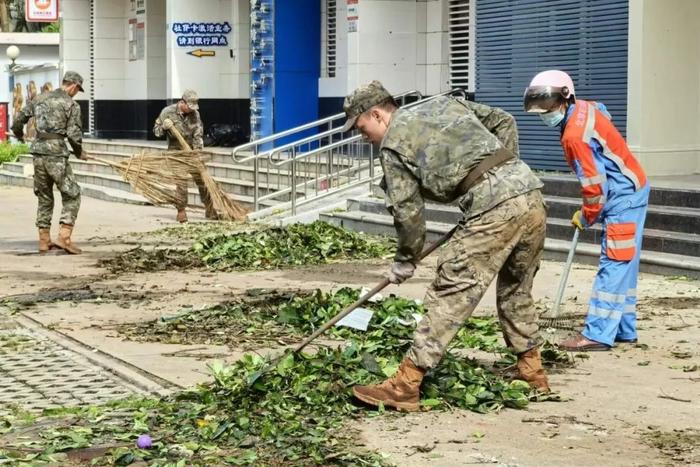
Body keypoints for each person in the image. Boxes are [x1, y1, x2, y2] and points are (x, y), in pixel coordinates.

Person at [344, 81, 550, 412]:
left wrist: (405, 259)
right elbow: (504, 121)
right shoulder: (440, 105)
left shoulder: (394, 145)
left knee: (449, 292)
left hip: (495, 209)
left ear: (377, 114)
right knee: (516, 289)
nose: (361, 135)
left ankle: (406, 384)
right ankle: (532, 372)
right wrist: (503, 177)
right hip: (531, 196)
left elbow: (408, 213)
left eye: (361, 126)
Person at [523, 70, 649, 351]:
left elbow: (595, 187)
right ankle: (624, 330)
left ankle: (598, 334)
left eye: (549, 106)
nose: (545, 113)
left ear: (565, 98)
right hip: (634, 186)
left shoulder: (575, 137)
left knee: (614, 261)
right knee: (626, 263)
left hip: (623, 196)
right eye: (541, 107)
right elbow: (603, 112)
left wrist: (587, 215)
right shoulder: (586, 108)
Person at [12, 71, 87, 255]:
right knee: (72, 194)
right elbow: (74, 135)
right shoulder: (71, 105)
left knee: (44, 197)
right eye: (77, 90)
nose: (76, 93)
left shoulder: (39, 98)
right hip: (56, 155)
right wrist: (79, 152)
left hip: (38, 152)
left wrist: (19, 135)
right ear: (74, 86)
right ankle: (64, 237)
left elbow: (18, 121)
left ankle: (44, 240)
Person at [153, 89, 217, 222]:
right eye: (190, 106)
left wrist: (197, 153)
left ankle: (210, 208)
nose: (192, 110)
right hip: (176, 153)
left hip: (192, 152)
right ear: (182, 102)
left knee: (203, 180)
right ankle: (181, 210)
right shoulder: (167, 112)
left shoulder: (195, 115)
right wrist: (164, 127)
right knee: (181, 183)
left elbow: (198, 134)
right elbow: (156, 132)